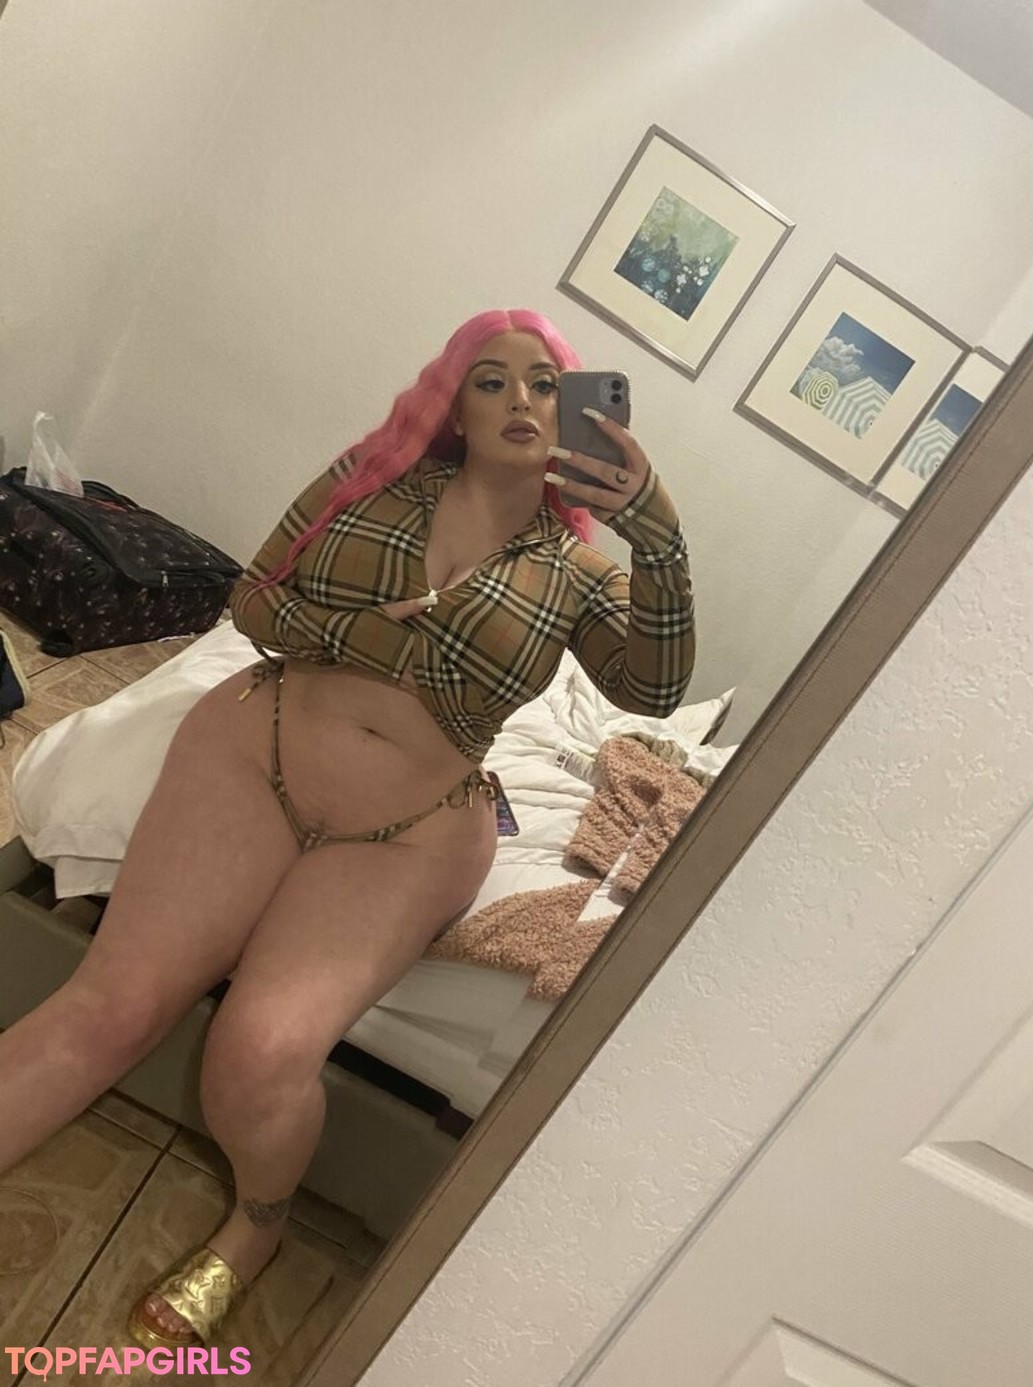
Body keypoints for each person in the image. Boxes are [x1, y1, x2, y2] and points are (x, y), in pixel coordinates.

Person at [0, 308, 694, 1346]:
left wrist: (658, 534)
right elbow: (252, 601)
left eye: (545, 384)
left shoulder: (582, 575)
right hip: (258, 747)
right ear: (455, 400)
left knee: (262, 1051)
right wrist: (362, 626)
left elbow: (652, 687)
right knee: (111, 1004)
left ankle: (257, 1223)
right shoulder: (368, 481)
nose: (519, 400)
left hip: (411, 827)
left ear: (575, 413)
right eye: (492, 379)